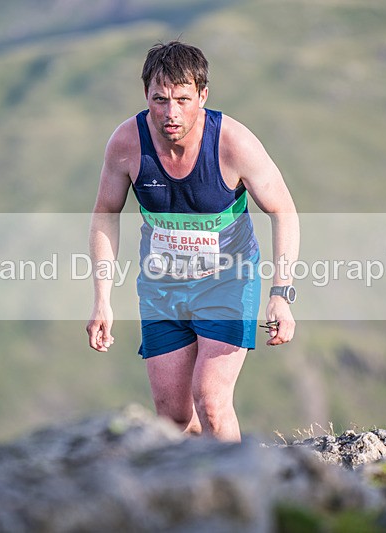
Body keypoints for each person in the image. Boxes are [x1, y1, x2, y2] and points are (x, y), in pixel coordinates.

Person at [86, 40, 299, 442]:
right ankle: (198, 495)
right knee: (174, 418)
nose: (171, 113)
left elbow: (284, 211)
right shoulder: (126, 143)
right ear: (146, 94)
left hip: (228, 283)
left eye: (183, 99)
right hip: (162, 288)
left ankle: (242, 493)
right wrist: (102, 300)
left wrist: (281, 293)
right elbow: (104, 215)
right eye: (160, 99)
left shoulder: (233, 142)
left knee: (212, 403)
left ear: (203, 95)